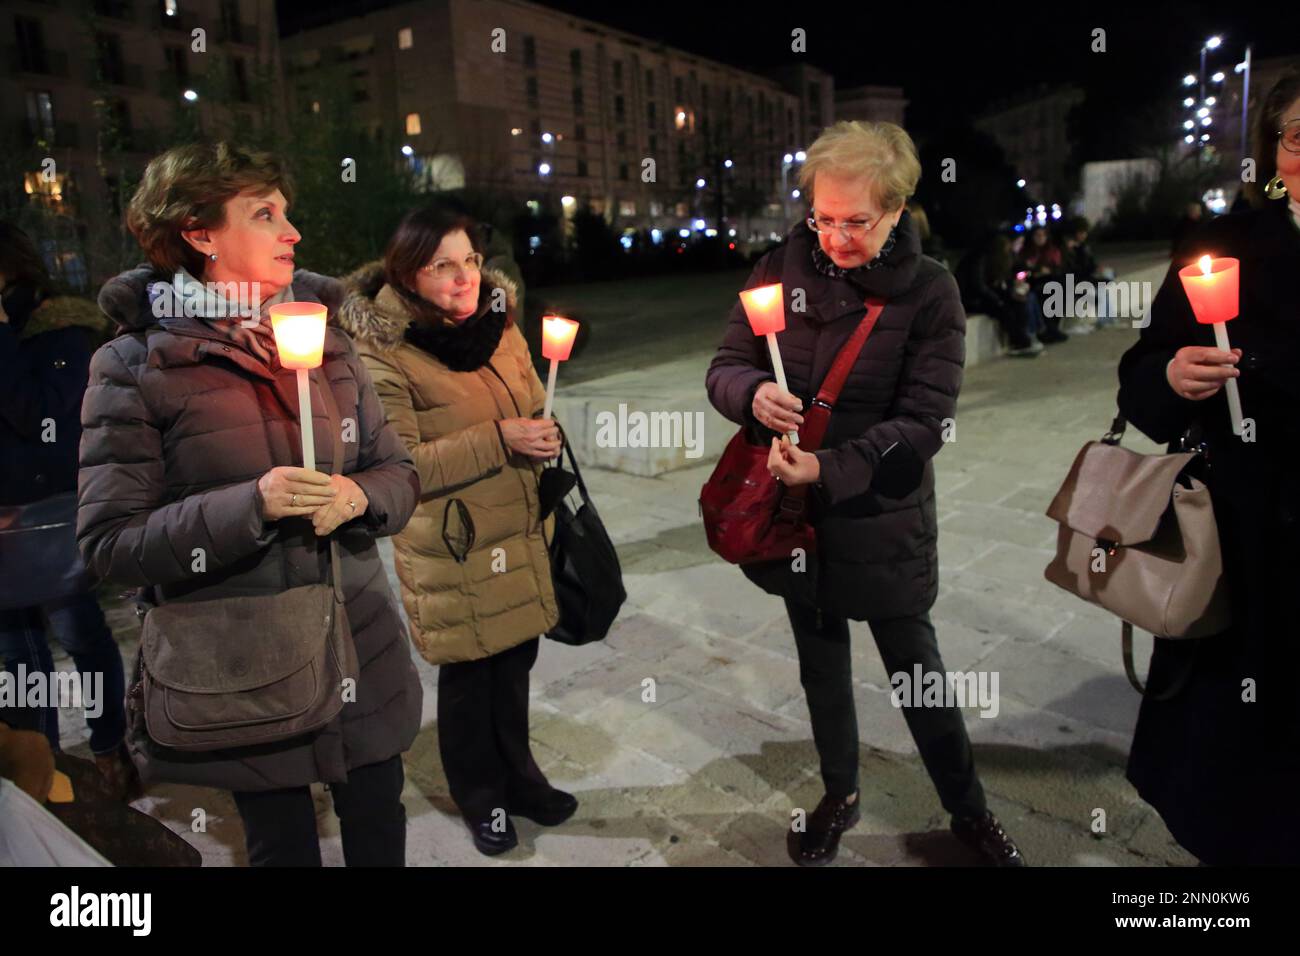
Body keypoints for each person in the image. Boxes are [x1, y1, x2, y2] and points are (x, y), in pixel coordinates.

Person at [79, 142, 423, 867]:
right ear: (199, 233)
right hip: (244, 665)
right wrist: (253, 507)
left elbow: (398, 469)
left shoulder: (324, 338)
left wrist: (359, 495)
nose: (292, 232)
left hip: (357, 640)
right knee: (281, 846)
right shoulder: (135, 364)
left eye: (287, 212)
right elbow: (111, 543)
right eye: (264, 214)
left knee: (378, 822)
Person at [706, 121, 1024, 867]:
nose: (835, 237)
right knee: (820, 665)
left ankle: (967, 809)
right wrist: (752, 394)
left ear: (897, 208)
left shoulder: (930, 291)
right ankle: (839, 793)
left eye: (857, 221)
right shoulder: (777, 268)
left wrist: (831, 469)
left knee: (917, 674)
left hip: (880, 515)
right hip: (795, 517)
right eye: (823, 217)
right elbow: (726, 363)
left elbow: (924, 423)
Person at [337, 203, 571, 857]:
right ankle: (480, 797)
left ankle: (522, 779)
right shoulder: (382, 350)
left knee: (516, 662)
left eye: (469, 260)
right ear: (408, 275)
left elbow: (528, 404)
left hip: (520, 528)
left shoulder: (501, 323)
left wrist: (541, 429)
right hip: (456, 542)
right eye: (443, 266)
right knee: (471, 676)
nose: (464, 277)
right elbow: (400, 467)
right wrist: (501, 438)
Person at [1116, 68, 1300, 866]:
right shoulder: (1225, 244)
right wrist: (1169, 375)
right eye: (1296, 139)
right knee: (1239, 746)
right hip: (1248, 526)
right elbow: (1143, 366)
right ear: (1271, 151)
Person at [0, 223, 136, 800]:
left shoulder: (62, 328)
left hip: (51, 517)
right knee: (16, 656)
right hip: (1, 519)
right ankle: (44, 772)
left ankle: (109, 750)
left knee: (80, 635)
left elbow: (42, 422)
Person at [954, 230, 1042, 356]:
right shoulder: (979, 259)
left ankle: (1024, 338)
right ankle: (1021, 341)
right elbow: (978, 286)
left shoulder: (994, 261)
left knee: (1018, 303)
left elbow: (997, 285)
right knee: (1004, 310)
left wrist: (1009, 294)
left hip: (984, 296)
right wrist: (998, 300)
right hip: (972, 299)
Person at [1022, 225, 1066, 343]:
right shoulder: (1027, 251)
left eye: (1043, 235)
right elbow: (1022, 269)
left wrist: (1049, 271)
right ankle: (1049, 330)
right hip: (1034, 283)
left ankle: (1053, 328)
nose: (1040, 238)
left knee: (1060, 290)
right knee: (1043, 295)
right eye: (1037, 235)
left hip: (1050, 280)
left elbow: (1059, 268)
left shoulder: (1052, 251)